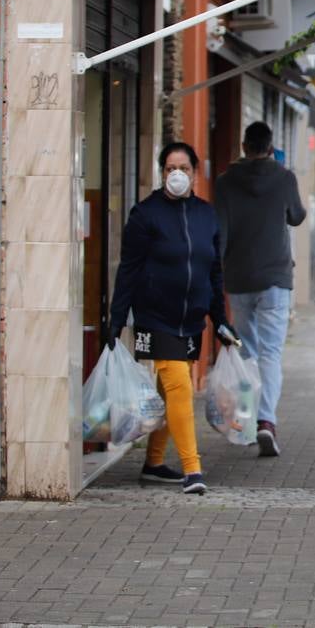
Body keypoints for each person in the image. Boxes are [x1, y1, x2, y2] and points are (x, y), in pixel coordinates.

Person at [104, 141, 238, 495]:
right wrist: (117, 317)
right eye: (170, 169)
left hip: (192, 318)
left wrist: (220, 320)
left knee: (169, 390)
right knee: (179, 384)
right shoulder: (145, 214)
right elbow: (128, 270)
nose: (177, 175)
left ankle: (153, 462)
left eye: (184, 169)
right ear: (161, 172)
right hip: (156, 316)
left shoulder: (206, 215)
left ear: (195, 173)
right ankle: (192, 469)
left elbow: (214, 272)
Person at [213, 121, 307, 458]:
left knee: (247, 351)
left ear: (243, 145)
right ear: (270, 147)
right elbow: (297, 216)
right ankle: (266, 420)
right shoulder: (284, 178)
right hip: (275, 279)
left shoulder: (224, 182)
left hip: (238, 278)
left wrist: (216, 274)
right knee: (271, 352)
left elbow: (219, 231)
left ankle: (248, 420)